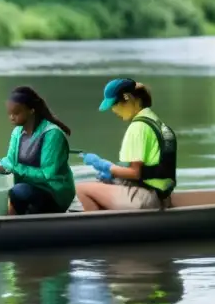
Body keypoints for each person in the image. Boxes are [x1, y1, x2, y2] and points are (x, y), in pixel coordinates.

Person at [75, 78, 177, 211]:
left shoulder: (138, 127)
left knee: (80, 188)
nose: (113, 110)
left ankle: (96, 229)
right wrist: (113, 175)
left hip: (146, 200)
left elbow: (134, 173)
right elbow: (146, 171)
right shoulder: (154, 121)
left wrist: (105, 166)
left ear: (128, 98)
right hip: (162, 197)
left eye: (114, 104)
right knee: (103, 184)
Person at [0, 86, 76, 215]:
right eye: (9, 113)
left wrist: (15, 168)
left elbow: (47, 174)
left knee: (19, 190)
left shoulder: (52, 134)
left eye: (16, 113)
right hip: (26, 188)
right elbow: (10, 161)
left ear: (31, 110)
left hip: (53, 192)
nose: (11, 117)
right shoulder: (17, 132)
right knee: (9, 189)